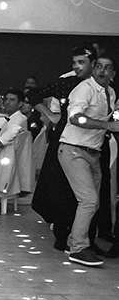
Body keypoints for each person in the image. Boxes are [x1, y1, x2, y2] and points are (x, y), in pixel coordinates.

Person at [28, 44, 97, 252]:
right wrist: (51, 116)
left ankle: (87, 239)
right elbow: (33, 95)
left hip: (92, 142)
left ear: (93, 63)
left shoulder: (102, 87)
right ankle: (61, 235)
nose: (77, 67)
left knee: (89, 193)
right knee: (61, 189)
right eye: (74, 62)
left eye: (81, 62)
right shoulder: (68, 83)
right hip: (64, 140)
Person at [58, 56, 118, 267]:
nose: (102, 71)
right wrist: (107, 126)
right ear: (93, 69)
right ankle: (78, 249)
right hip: (74, 150)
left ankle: (73, 242)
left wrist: (114, 121)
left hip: (92, 153)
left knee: (93, 202)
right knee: (89, 201)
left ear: (113, 74)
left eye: (107, 68)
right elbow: (76, 118)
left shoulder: (110, 93)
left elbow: (113, 120)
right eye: (99, 66)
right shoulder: (85, 89)